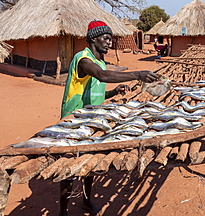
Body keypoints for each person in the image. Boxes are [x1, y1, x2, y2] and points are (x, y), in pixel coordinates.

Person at [59, 20, 159, 216]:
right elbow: (102, 76)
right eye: (105, 38)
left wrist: (114, 92)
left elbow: (96, 93)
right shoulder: (84, 59)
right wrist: (138, 74)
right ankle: (62, 212)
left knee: (89, 162)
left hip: (92, 119)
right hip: (73, 121)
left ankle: (86, 201)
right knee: (68, 169)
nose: (109, 42)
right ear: (94, 39)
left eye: (110, 38)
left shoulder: (100, 61)